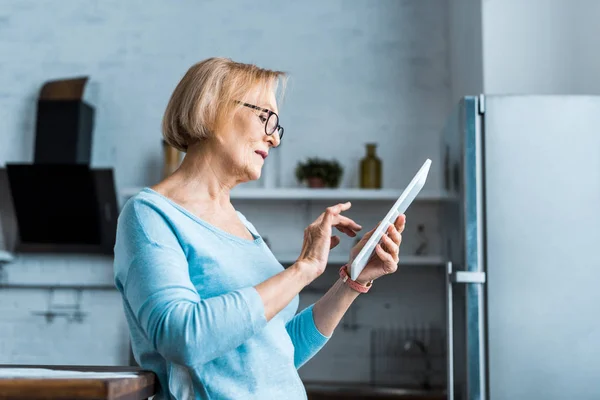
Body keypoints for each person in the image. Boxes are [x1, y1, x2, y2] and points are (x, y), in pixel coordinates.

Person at [113, 57, 406, 400]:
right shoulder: (150, 215)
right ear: (212, 109)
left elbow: (278, 352)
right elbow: (183, 338)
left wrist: (353, 280)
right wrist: (303, 270)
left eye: (276, 125)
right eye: (265, 117)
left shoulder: (242, 225)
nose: (274, 138)